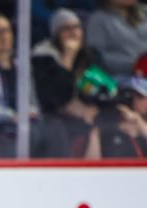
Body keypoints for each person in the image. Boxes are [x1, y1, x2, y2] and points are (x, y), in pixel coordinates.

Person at [32, 8, 101, 158]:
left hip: (81, 113)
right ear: (56, 34)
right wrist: (68, 57)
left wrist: (89, 108)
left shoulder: (88, 56)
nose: (73, 33)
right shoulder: (43, 57)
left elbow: (98, 89)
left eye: (76, 27)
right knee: (59, 128)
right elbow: (56, 97)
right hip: (51, 116)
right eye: (66, 28)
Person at [86, 0, 147, 77]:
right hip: (123, 76)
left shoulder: (144, 13)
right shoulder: (99, 19)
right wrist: (135, 64)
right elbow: (97, 57)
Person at [95, 76, 147, 158]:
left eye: (140, 97)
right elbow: (91, 165)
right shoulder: (110, 128)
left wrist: (138, 120)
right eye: (128, 96)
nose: (133, 101)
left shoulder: (142, 127)